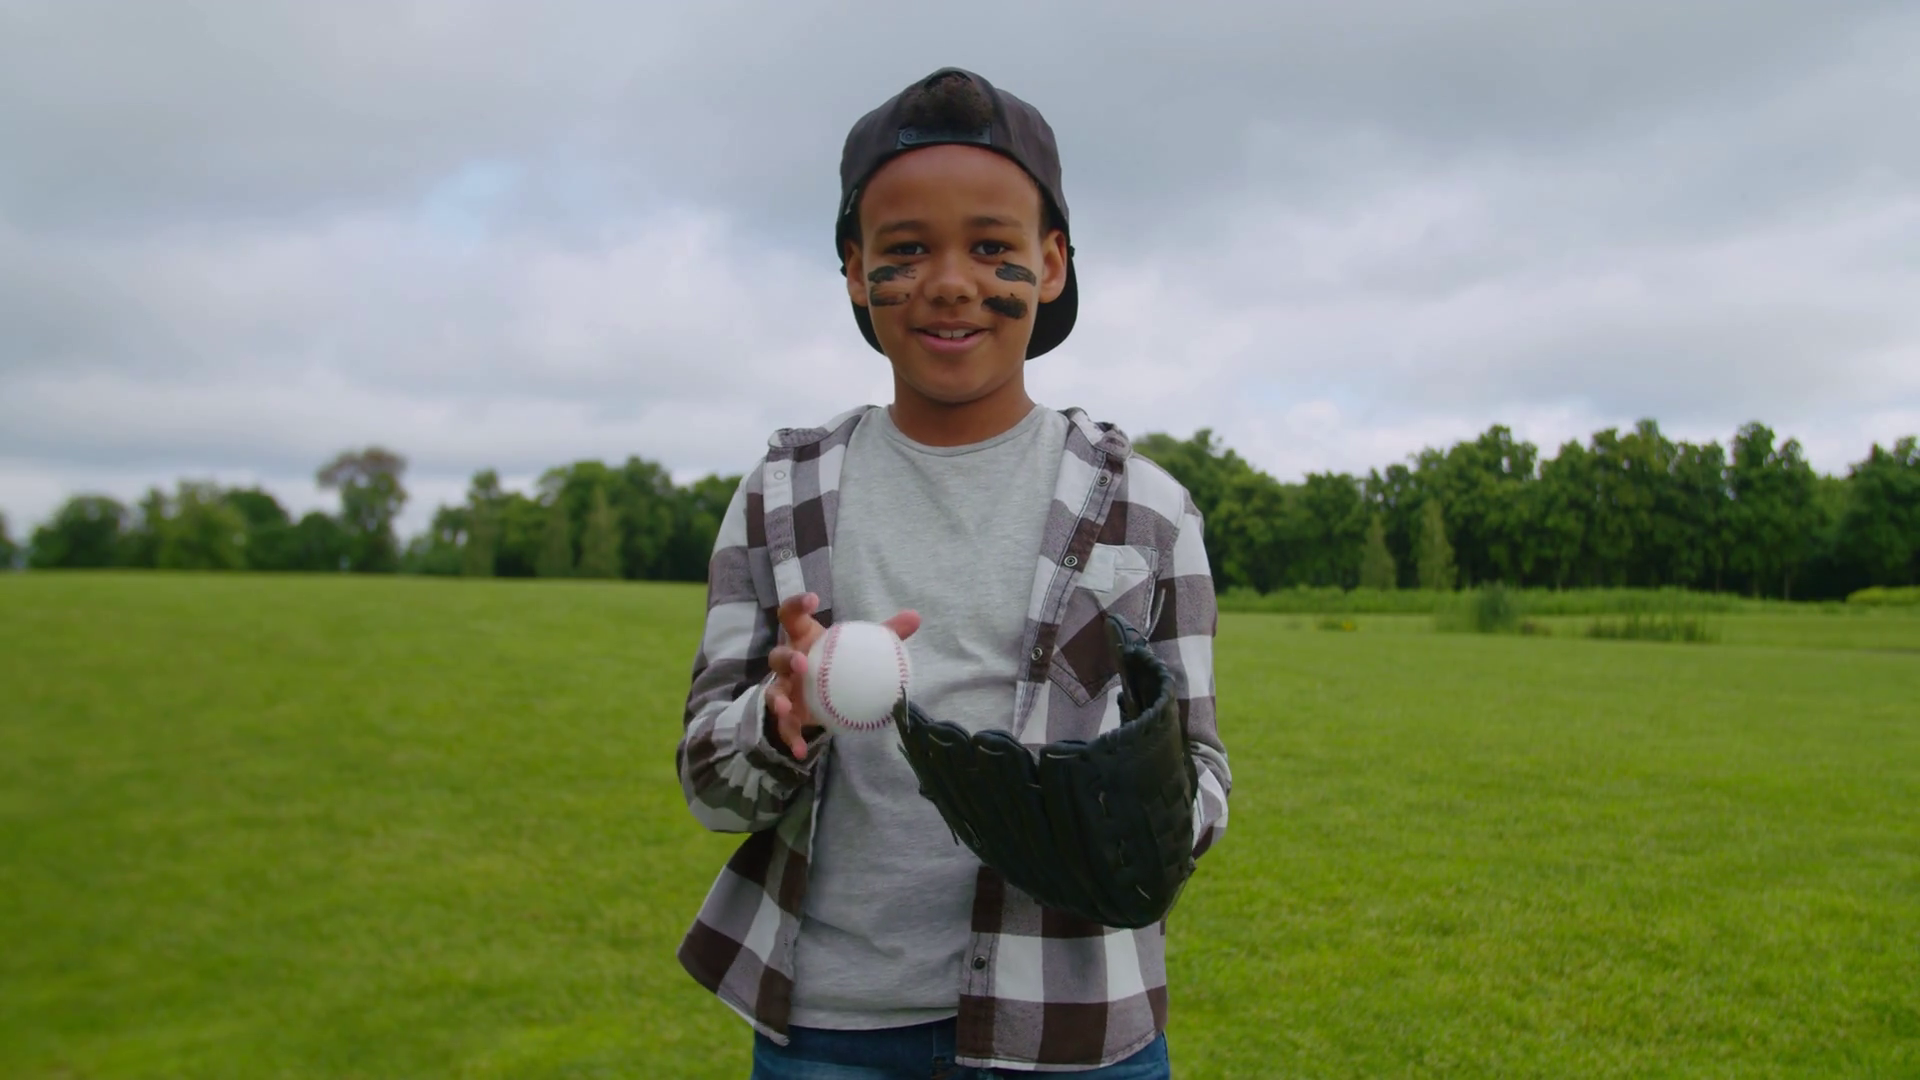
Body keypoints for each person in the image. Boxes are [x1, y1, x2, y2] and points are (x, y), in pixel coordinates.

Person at [675, 67, 1232, 1078]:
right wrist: (780, 718)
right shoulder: (781, 492)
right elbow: (710, 781)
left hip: (1075, 1032)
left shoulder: (1147, 510)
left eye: (990, 247)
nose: (949, 282)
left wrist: (1120, 815)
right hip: (832, 1033)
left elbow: (1201, 777)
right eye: (905, 250)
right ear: (854, 269)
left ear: (1051, 264)